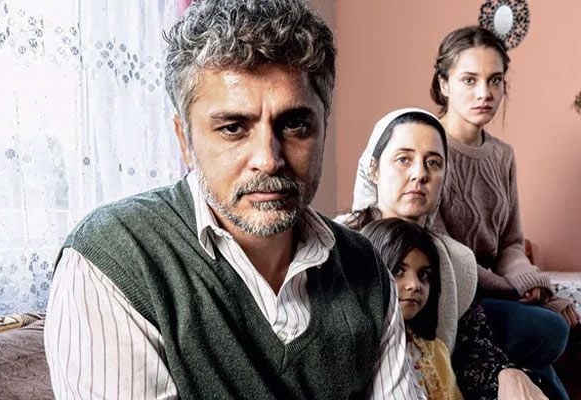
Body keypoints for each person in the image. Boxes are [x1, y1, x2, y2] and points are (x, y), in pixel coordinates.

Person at [43, 1, 423, 398]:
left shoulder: (365, 267)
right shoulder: (115, 258)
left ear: (323, 128)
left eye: (295, 124)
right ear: (184, 141)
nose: (268, 160)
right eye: (233, 128)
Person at [344, 108, 546, 400]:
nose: (420, 174)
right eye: (404, 159)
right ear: (373, 169)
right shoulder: (337, 246)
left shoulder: (456, 260)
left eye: (433, 163)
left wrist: (507, 374)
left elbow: (471, 348)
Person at [430, 26, 578, 399]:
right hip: (454, 297)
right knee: (550, 329)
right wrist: (518, 290)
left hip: (495, 294)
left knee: (550, 334)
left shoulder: (502, 155)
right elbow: (443, 250)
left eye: (495, 80)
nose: (485, 93)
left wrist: (531, 280)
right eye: (469, 80)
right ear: (444, 84)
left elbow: (510, 242)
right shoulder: (427, 146)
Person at [360, 218, 463, 400]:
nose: (414, 285)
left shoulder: (436, 351)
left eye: (423, 275)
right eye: (398, 270)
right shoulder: (353, 348)